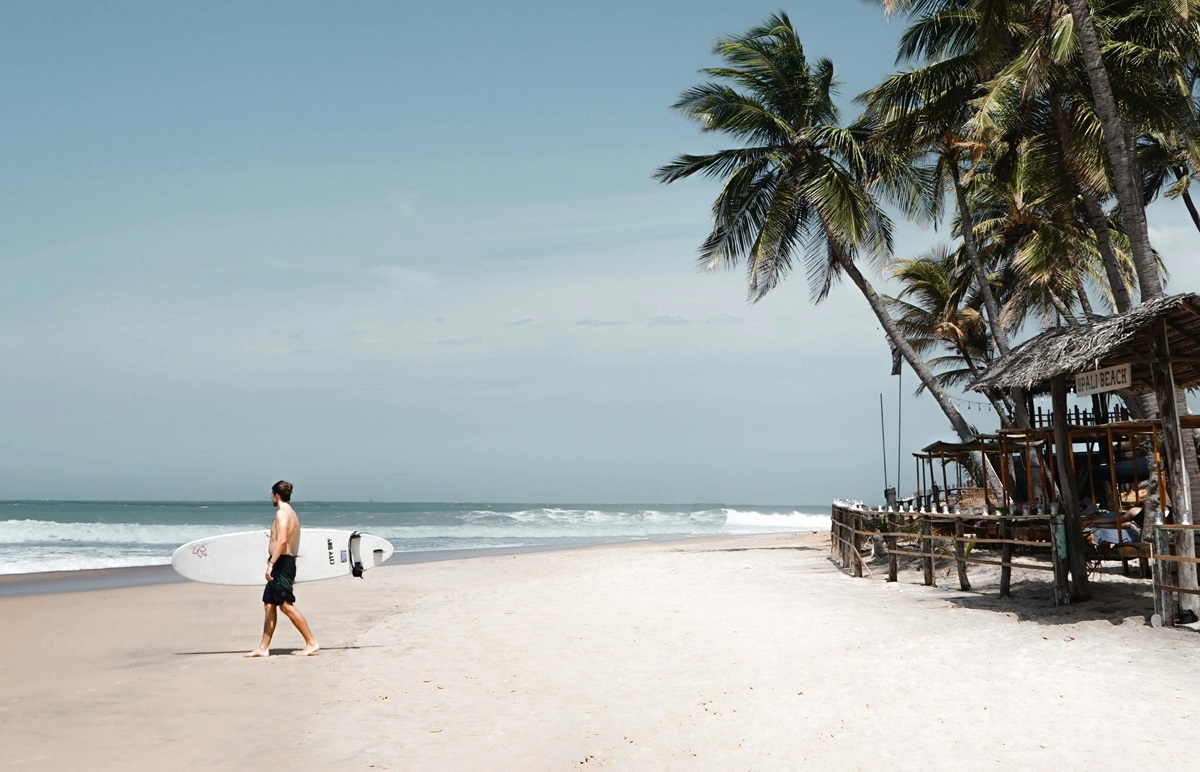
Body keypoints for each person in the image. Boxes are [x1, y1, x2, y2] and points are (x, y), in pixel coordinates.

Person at [245, 480, 320, 657]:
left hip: (282, 563)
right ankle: (263, 647)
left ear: (276, 495)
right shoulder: (292, 513)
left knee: (285, 605)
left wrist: (271, 565)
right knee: (269, 604)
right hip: (282, 561)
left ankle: (311, 642)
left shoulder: (282, 514)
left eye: (272, 495)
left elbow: (283, 540)